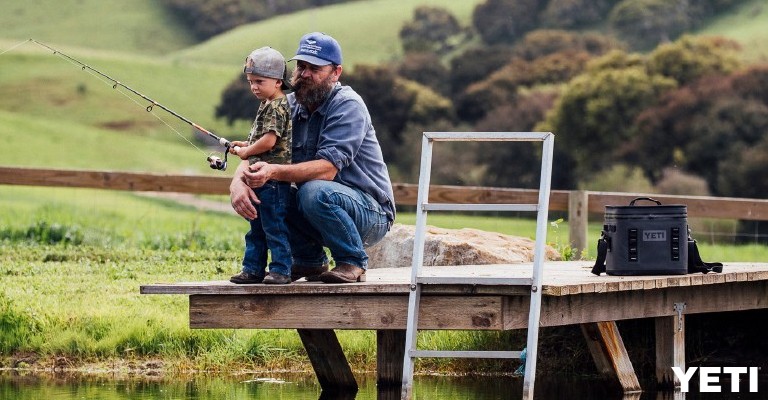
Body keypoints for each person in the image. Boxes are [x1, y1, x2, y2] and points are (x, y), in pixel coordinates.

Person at [229, 32, 396, 284]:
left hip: (370, 214)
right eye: (301, 66)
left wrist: (272, 172)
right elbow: (257, 148)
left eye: (314, 68)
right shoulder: (288, 104)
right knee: (274, 195)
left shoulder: (348, 105)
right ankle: (309, 261)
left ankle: (352, 261)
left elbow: (326, 170)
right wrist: (238, 181)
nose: (304, 74)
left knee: (313, 191)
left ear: (336, 72)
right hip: (323, 207)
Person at [228, 46, 295, 285]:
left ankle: (281, 270)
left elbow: (269, 141)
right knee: (256, 227)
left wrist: (246, 151)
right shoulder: (268, 103)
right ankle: (253, 269)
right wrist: (245, 144)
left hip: (273, 182)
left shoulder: (277, 106)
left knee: (274, 226)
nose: (254, 86)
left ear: (278, 81)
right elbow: (263, 139)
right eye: (250, 81)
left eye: (259, 81)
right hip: (259, 178)